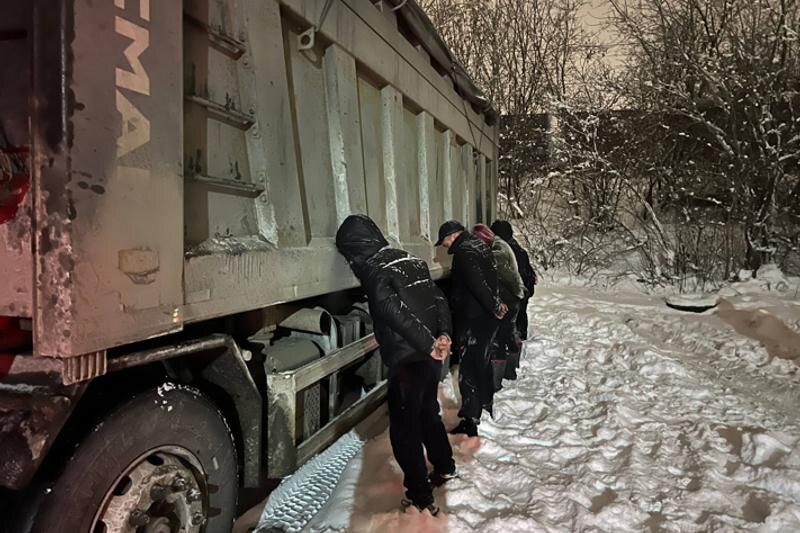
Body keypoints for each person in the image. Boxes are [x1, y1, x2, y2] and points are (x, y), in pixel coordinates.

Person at [335, 214, 456, 515]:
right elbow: (439, 300)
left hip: (408, 361)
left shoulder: (375, 270)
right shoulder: (411, 260)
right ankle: (445, 465)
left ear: (354, 248)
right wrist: (442, 335)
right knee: (428, 412)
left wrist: (428, 342)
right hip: (429, 358)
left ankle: (420, 496)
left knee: (404, 430)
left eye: (348, 254)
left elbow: (391, 311)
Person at [435, 220, 506, 438]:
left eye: (445, 241)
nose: (445, 246)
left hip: (473, 320)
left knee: (469, 370)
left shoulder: (465, 252)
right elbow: (490, 281)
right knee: (480, 365)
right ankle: (483, 406)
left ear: (453, 235)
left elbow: (477, 284)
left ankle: (470, 420)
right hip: (482, 320)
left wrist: (494, 306)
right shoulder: (479, 246)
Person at [473, 224, 525, 390]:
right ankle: (509, 371)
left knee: (501, 337)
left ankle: (500, 378)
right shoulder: (500, 244)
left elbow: (495, 263)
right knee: (507, 334)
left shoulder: (499, 248)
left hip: (509, 298)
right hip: (512, 297)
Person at [490, 220, 537, 340]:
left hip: (515, 291)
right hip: (524, 288)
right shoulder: (517, 247)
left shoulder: (503, 250)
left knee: (514, 319)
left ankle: (518, 339)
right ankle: (522, 336)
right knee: (521, 314)